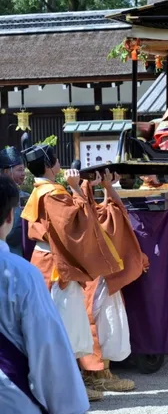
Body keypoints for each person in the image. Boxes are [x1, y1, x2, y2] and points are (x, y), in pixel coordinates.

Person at [20, 137, 124, 402]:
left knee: (58, 325)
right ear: (48, 165)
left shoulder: (39, 191)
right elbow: (77, 225)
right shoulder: (53, 193)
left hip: (45, 263)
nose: (58, 163)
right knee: (66, 327)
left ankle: (70, 384)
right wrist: (76, 188)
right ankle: (67, 388)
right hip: (58, 267)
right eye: (54, 159)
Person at [0, 175, 89, 414]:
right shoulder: (20, 274)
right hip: (10, 397)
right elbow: (47, 349)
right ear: (10, 216)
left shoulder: (40, 192)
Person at [78, 169, 149, 393]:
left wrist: (99, 187)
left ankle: (97, 373)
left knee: (100, 324)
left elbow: (111, 208)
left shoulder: (87, 211)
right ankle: (99, 374)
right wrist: (107, 187)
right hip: (99, 278)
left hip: (95, 277)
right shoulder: (90, 214)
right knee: (102, 326)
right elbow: (117, 210)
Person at [0, 146, 29, 256]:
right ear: (7, 171)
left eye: (23, 170)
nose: (23, 174)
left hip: (20, 255)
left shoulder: (26, 197)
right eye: (19, 170)